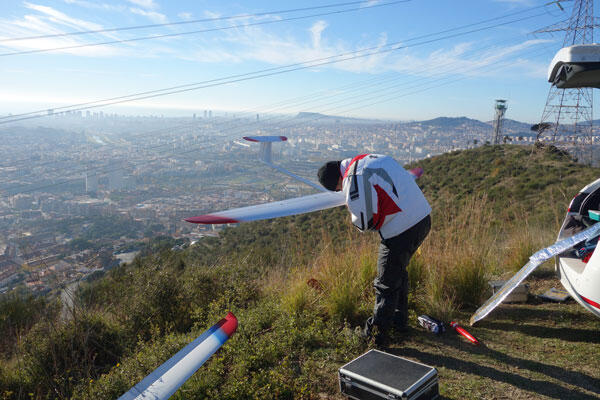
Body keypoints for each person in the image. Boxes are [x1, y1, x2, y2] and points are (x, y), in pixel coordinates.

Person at [317, 154, 431, 345]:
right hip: (423, 218)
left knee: (385, 282)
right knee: (398, 271)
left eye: (339, 189)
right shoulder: (372, 158)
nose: (341, 190)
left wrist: (350, 207)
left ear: (337, 182)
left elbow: (365, 222)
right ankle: (398, 322)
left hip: (402, 229)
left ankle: (376, 336)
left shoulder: (353, 177)